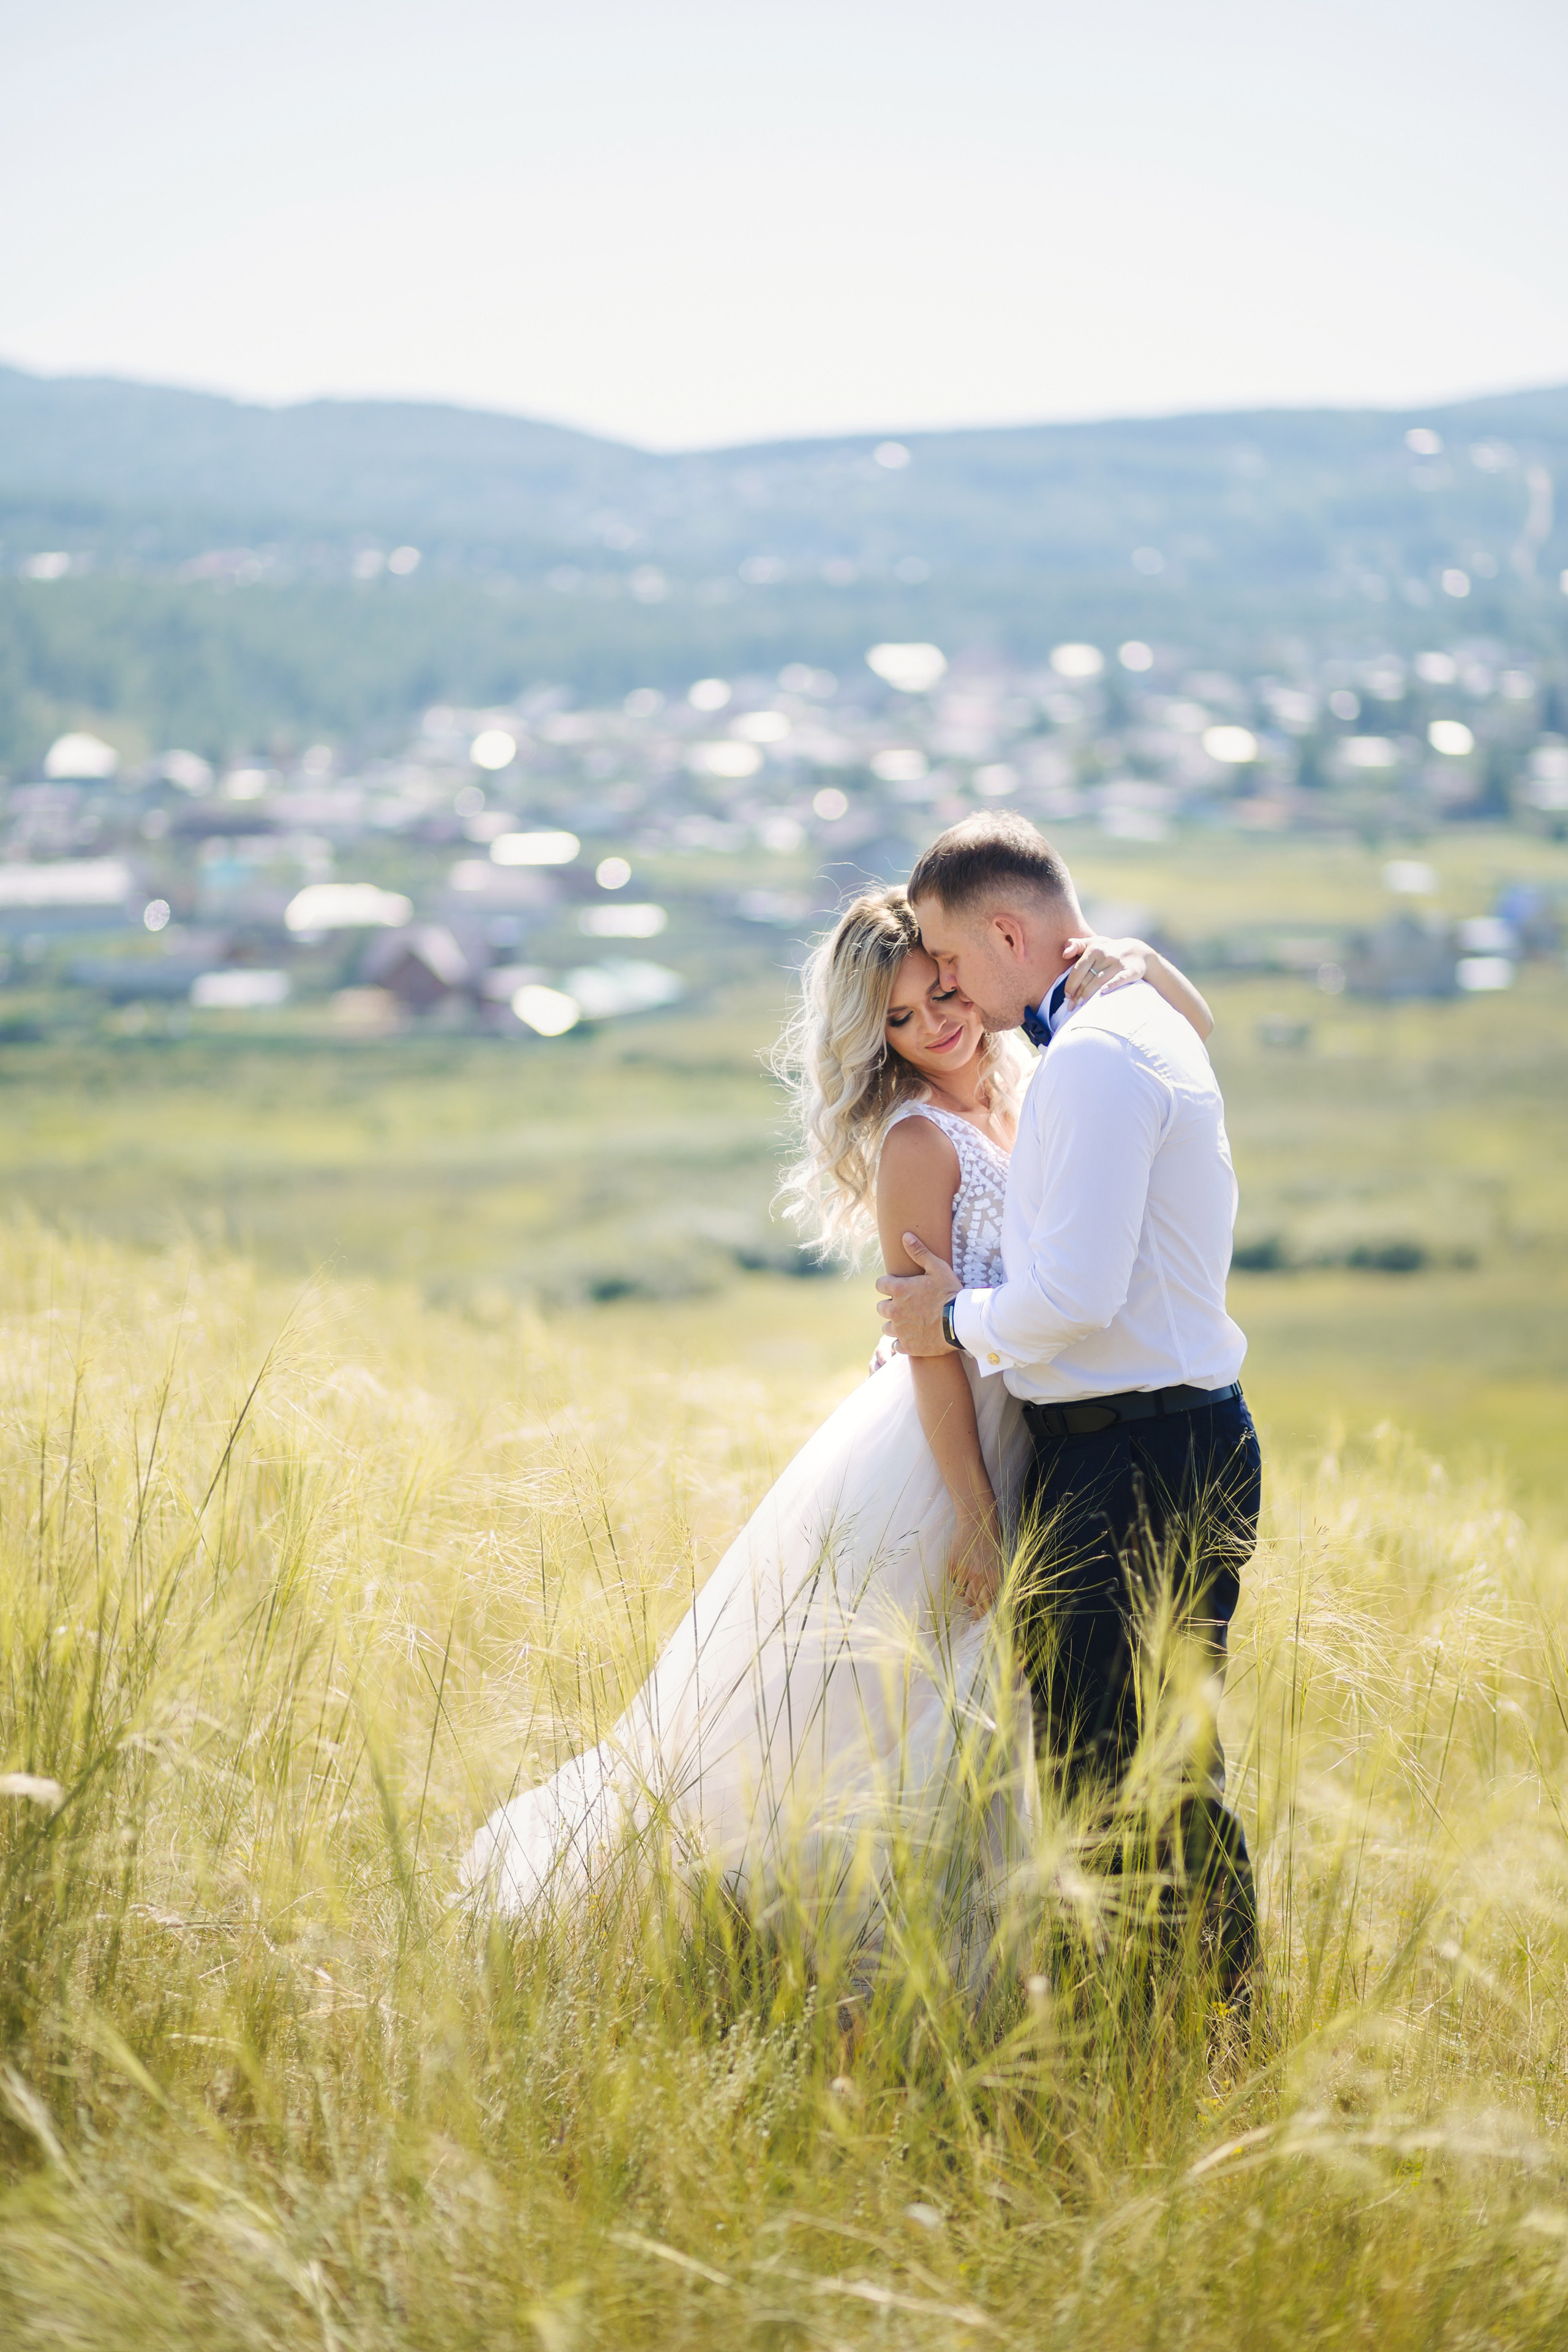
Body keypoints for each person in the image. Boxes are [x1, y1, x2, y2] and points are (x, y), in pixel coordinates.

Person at [461, 881, 1213, 1981]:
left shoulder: (1040, 1082)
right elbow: (929, 1347)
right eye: (902, 1021)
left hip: (1049, 1427)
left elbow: (1190, 1041)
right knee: (895, 1718)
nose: (934, 1027)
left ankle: (1017, 1957)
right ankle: (824, 1951)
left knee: (1010, 1710)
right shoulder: (921, 1139)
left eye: (939, 994)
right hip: (951, 1444)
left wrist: (1135, 959)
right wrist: (973, 1515)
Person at [876, 812, 1261, 1980]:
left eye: (948, 961)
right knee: (1175, 1762)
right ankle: (1220, 2019)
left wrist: (948, 1319)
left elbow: (1075, 1299)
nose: (945, 987)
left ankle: (1135, 2037)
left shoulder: (1092, 1056)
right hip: (1183, 1435)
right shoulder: (1129, 1023)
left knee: (1101, 1771)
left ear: (1005, 930)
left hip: (1127, 1459)